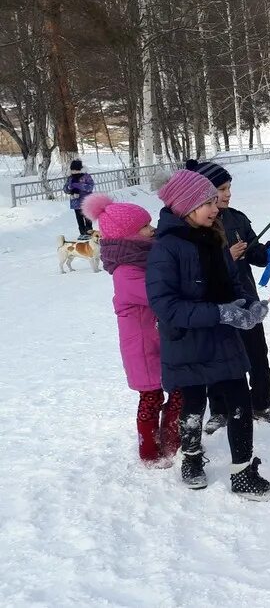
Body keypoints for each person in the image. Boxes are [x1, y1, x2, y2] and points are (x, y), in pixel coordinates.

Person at [145, 170, 270, 500]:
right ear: (186, 206)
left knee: (238, 400)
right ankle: (191, 458)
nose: (215, 207)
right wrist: (219, 312)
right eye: (207, 202)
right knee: (193, 402)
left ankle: (243, 473)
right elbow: (165, 306)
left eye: (213, 200)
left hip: (222, 338)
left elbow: (233, 282)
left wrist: (248, 307)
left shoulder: (214, 235)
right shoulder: (166, 249)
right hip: (187, 342)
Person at [186, 160, 270, 432]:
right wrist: (225, 258)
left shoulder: (237, 218)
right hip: (217, 305)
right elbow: (194, 268)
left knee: (257, 353)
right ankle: (219, 409)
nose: (227, 194)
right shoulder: (196, 226)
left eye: (229, 187)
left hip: (246, 301)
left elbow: (255, 255)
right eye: (221, 189)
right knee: (218, 358)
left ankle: (261, 403)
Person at [84, 193, 181, 468]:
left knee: (177, 390)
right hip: (142, 347)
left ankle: (173, 441)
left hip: (158, 340)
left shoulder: (144, 259)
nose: (152, 230)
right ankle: (150, 451)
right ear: (129, 236)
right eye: (145, 227)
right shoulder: (125, 271)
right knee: (151, 396)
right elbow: (156, 296)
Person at [64, 159, 95, 239]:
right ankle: (82, 233)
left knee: (87, 217)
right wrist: (69, 187)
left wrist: (79, 185)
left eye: (76, 170)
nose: (74, 172)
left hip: (86, 201)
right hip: (76, 202)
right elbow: (65, 189)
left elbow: (90, 187)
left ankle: (89, 232)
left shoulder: (86, 176)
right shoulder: (70, 178)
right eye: (73, 170)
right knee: (79, 219)